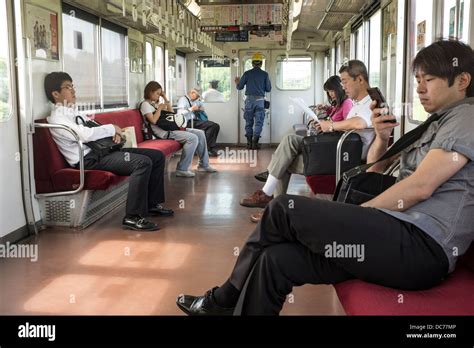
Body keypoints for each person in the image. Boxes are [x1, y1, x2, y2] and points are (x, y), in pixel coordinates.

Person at [176, 39, 474, 315]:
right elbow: (373, 172)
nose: (420, 89)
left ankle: (224, 298)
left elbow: (421, 187)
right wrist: (382, 139)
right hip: (392, 238)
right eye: (418, 80)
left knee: (283, 208)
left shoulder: (466, 118)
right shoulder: (436, 123)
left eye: (429, 80)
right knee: (275, 262)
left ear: (462, 81)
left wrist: (359, 214)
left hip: (421, 248)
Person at [240, 64, 373, 223]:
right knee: (288, 146)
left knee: (284, 161)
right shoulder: (357, 103)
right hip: (337, 148)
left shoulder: (369, 103)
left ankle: (271, 200)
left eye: (345, 82)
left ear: (359, 79)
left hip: (343, 158)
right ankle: (271, 199)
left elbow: (359, 123)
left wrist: (329, 125)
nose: (343, 87)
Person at [45, 72, 174, 232]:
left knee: (157, 156)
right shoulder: (57, 118)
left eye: (73, 86)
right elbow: (84, 134)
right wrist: (112, 128)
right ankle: (133, 217)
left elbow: (92, 126)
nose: (73, 90)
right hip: (88, 159)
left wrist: (113, 133)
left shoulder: (74, 112)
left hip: (102, 152)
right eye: (68, 87)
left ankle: (152, 204)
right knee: (142, 163)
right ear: (55, 93)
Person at [140, 82, 217, 177]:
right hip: (165, 133)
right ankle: (182, 168)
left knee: (200, 133)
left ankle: (203, 165)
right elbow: (153, 120)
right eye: (157, 94)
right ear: (150, 92)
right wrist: (159, 109)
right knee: (193, 138)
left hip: (171, 128)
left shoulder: (154, 104)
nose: (158, 96)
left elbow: (171, 112)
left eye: (159, 94)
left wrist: (165, 98)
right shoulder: (145, 105)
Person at [235, 52, 272, 150]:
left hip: (249, 101)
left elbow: (240, 87)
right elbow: (268, 89)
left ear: (252, 63)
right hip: (260, 101)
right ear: (261, 63)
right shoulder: (265, 74)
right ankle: (255, 144)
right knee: (259, 123)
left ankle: (248, 144)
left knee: (248, 122)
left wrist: (237, 82)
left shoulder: (247, 74)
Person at [177, 87, 221, 157]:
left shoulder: (193, 100)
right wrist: (191, 109)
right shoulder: (183, 100)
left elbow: (201, 106)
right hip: (187, 122)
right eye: (197, 96)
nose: (197, 98)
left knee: (215, 126)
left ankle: (206, 149)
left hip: (194, 121)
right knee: (213, 126)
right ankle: (205, 149)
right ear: (192, 93)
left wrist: (200, 108)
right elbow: (179, 114)